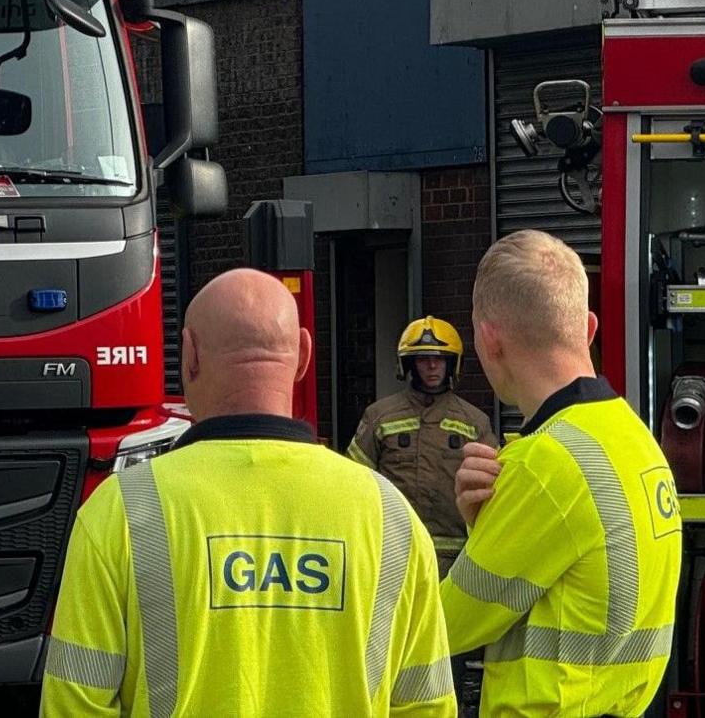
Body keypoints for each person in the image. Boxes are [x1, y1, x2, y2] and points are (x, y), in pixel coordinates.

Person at [41, 268, 454, 717]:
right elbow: (426, 706)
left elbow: (73, 706)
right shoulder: (391, 516)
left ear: (190, 355)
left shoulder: (120, 511)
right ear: (303, 357)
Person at [442, 230, 681, 716]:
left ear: (489, 340)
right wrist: (484, 522)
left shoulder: (544, 463)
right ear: (589, 327)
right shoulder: (633, 437)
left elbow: (446, 624)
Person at [347, 317, 498, 575]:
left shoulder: (474, 422)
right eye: (422, 359)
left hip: (456, 561)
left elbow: (492, 490)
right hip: (393, 552)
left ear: (452, 364)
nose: (431, 366)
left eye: (439, 359)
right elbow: (353, 482)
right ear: (408, 364)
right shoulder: (380, 416)